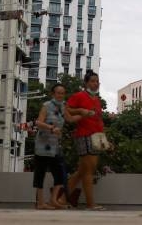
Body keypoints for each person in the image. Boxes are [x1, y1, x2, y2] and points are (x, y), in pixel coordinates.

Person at [33, 83, 81, 209]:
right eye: (58, 93)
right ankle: (40, 203)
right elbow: (38, 122)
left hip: (55, 146)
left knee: (60, 174)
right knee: (40, 173)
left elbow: (70, 119)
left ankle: (53, 200)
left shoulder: (63, 107)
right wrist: (51, 128)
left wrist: (85, 115)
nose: (61, 95)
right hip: (43, 145)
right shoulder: (47, 106)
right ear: (53, 94)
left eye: (63, 93)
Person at [66, 71, 106, 210]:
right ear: (86, 83)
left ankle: (60, 199)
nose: (95, 84)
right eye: (92, 81)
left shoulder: (96, 99)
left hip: (96, 137)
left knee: (82, 172)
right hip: (84, 135)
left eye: (97, 81)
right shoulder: (79, 96)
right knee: (88, 170)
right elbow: (66, 109)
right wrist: (81, 111)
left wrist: (104, 139)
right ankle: (90, 204)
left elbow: (99, 120)